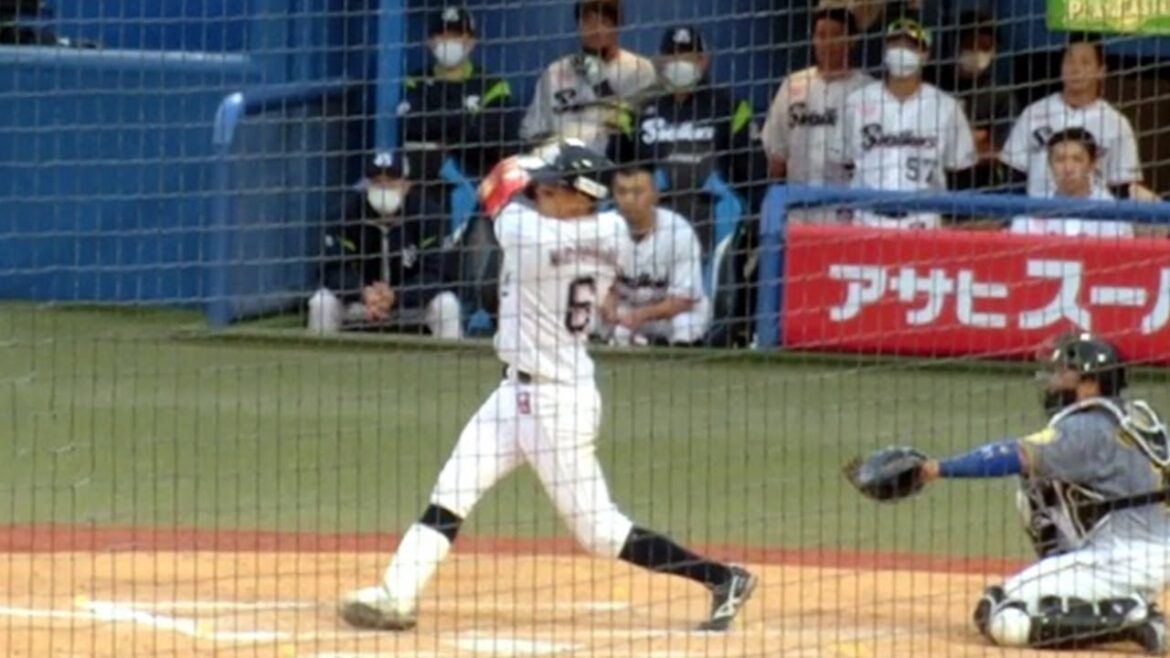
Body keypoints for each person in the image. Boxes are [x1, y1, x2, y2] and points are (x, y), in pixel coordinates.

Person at [337, 141, 757, 633]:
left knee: (600, 532)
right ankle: (396, 595)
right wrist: (559, 165)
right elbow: (532, 193)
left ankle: (722, 577)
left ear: (581, 196)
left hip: (557, 404)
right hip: (514, 394)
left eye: (556, 188)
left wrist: (542, 151)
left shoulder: (529, 234)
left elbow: (496, 182)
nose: (545, 192)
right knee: (452, 490)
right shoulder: (613, 232)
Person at [859, 336, 1169, 653]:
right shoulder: (1133, 419)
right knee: (1036, 490)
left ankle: (1132, 618)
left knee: (1005, 617)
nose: (1052, 381)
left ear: (1089, 384)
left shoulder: (1087, 428)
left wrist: (935, 469)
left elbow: (1013, 455)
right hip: (1146, 553)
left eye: (1063, 373)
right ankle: (1119, 604)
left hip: (1118, 558)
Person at [612, 25, 760, 250]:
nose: (678, 62)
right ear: (660, 62)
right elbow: (615, 170)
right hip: (648, 218)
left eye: (687, 56)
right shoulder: (635, 111)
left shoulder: (731, 108)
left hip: (713, 217)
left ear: (703, 61)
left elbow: (753, 175)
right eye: (672, 55)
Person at [835, 18, 977, 229]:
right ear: (885, 51)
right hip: (866, 217)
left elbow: (960, 169)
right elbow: (843, 162)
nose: (901, 51)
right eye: (895, 44)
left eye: (910, 46)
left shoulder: (946, 106)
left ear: (925, 55)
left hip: (923, 219)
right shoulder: (857, 101)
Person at [307, 151, 463, 339]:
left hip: (411, 302)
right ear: (366, 185)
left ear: (406, 185)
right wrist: (362, 292)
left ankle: (451, 358)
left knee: (447, 304)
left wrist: (396, 296)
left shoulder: (428, 214)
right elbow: (331, 269)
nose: (383, 188)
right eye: (377, 182)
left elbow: (440, 273)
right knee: (322, 302)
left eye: (391, 182)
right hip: (363, 301)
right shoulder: (345, 213)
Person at [761, 6, 872, 223]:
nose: (827, 43)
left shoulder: (869, 90)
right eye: (820, 35)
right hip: (797, 212)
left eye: (836, 35)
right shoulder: (793, 85)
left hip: (849, 215)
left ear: (852, 40)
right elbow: (776, 158)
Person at [1001, 35, 1145, 200]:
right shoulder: (1034, 113)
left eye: (1085, 63)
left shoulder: (1117, 123)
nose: (1075, 69)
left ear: (1101, 71)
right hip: (1039, 210)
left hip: (1095, 212)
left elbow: (1123, 186)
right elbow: (1013, 174)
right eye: (1069, 62)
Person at [519, 0, 657, 154]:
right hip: (560, 160)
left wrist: (602, 85)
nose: (595, 30)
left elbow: (636, 129)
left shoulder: (639, 69)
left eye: (603, 22)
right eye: (588, 22)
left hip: (611, 161)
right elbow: (532, 132)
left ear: (617, 26)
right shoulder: (555, 71)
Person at [398, 7, 514, 184]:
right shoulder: (414, 81)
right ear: (429, 42)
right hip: (423, 177)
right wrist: (464, 118)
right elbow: (411, 127)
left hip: (476, 177)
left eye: (456, 36)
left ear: (471, 42)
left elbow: (489, 139)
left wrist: (439, 132)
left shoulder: (493, 85)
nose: (449, 42)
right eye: (442, 36)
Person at [602, 163, 708, 346]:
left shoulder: (679, 231)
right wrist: (608, 307)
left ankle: (681, 358)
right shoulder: (603, 228)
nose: (628, 199)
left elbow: (683, 300)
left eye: (637, 192)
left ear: (655, 195)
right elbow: (599, 286)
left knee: (687, 324)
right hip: (625, 311)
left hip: (669, 314)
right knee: (590, 318)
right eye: (622, 192)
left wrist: (639, 316)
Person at [929, 12, 1019, 192]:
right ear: (958, 45)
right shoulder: (932, 82)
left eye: (985, 47)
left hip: (979, 188)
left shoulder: (1001, 97)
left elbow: (999, 151)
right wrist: (971, 139)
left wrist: (948, 142)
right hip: (932, 184)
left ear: (994, 51)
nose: (977, 52)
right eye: (971, 44)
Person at [1010, 128, 1134, 239]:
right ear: (1050, 164)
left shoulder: (1111, 209)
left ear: (1092, 164)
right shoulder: (1032, 207)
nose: (1068, 168)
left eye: (1077, 159)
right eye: (1060, 160)